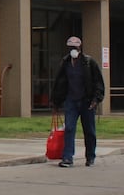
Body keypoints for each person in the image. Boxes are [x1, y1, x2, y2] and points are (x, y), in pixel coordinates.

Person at [51, 36, 105, 167]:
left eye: (75, 47)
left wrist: (96, 99)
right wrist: (56, 102)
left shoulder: (88, 62)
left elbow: (98, 82)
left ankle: (90, 156)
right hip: (71, 101)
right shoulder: (65, 63)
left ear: (80, 48)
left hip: (86, 101)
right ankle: (67, 157)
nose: (73, 50)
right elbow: (59, 82)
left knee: (89, 130)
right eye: (70, 48)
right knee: (69, 128)